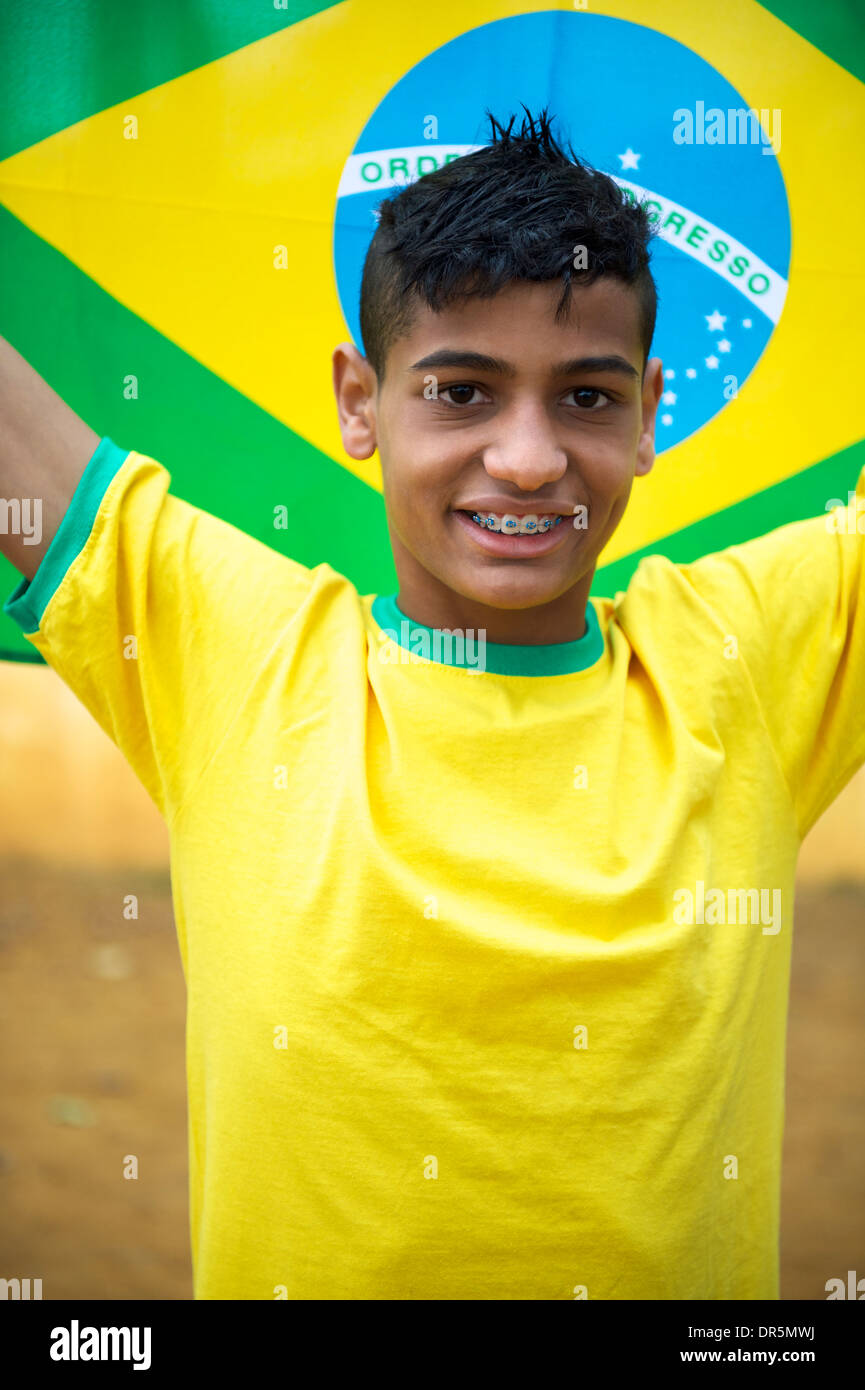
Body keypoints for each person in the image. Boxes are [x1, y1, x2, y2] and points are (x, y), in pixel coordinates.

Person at [2, 107, 863, 1300]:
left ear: (651, 410)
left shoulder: (745, 661)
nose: (526, 458)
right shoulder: (236, 655)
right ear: (360, 401)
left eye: (588, 398)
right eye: (462, 392)